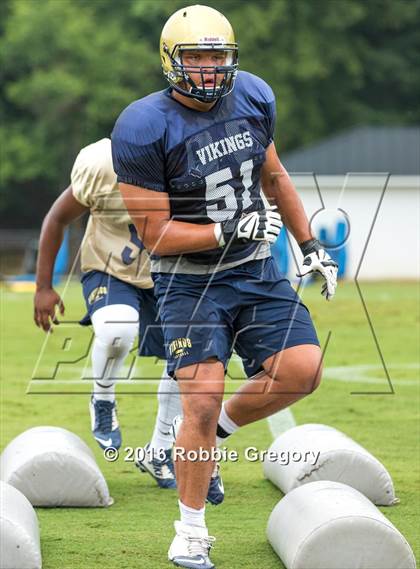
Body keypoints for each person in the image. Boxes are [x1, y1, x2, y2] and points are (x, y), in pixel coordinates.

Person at [112, 5, 338, 567]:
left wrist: (309, 245)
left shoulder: (255, 96)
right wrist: (226, 228)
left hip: (253, 267)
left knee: (303, 369)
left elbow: (274, 175)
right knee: (202, 396)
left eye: (218, 56)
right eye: (197, 57)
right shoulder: (142, 124)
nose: (210, 69)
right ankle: (189, 531)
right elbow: (155, 235)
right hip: (188, 281)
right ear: (171, 61)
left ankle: (212, 444)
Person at [34, 137, 182, 489]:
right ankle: (102, 397)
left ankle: (160, 450)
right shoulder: (101, 165)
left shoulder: (190, 164)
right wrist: (43, 286)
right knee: (118, 329)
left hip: (172, 272)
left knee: (188, 360)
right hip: (109, 267)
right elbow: (56, 219)